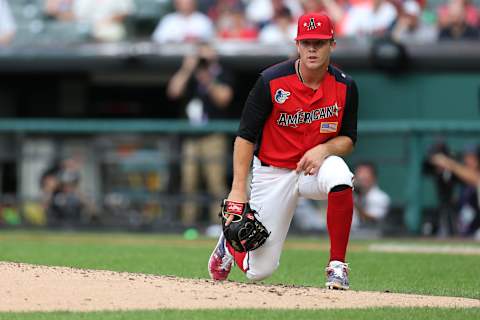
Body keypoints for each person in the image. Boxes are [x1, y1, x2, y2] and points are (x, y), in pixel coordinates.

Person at [208, 13, 358, 290]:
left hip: (313, 170)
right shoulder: (271, 80)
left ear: (332, 45)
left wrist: (324, 149)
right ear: (297, 45)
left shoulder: (345, 86)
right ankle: (229, 247)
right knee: (259, 271)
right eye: (307, 42)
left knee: (340, 174)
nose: (313, 49)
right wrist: (238, 189)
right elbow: (244, 136)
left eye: (320, 43)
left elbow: (348, 139)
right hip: (273, 172)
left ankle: (337, 265)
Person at [166, 42, 234, 230]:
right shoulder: (191, 76)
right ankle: (189, 223)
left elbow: (224, 98)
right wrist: (187, 68)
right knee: (189, 181)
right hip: (191, 137)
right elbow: (173, 91)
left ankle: (218, 225)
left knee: (215, 181)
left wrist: (208, 79)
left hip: (213, 136)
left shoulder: (221, 73)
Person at [352, 162, 390, 230]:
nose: (362, 176)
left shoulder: (381, 197)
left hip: (374, 234)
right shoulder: (352, 194)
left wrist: (354, 204)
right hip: (351, 233)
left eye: (366, 173)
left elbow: (373, 220)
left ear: (374, 177)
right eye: (360, 173)